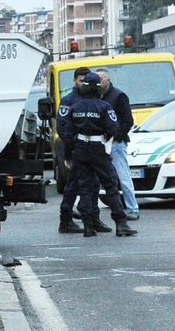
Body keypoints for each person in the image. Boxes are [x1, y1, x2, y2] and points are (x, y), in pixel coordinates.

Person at [68, 72, 136, 238]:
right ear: (98, 88)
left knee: (84, 188)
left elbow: (68, 132)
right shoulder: (104, 107)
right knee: (111, 186)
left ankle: (88, 226)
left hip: (81, 150)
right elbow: (113, 129)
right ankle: (120, 224)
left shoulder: (74, 108)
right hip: (99, 149)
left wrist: (71, 153)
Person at [96, 68, 139, 220]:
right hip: (100, 142)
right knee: (96, 177)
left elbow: (128, 120)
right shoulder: (96, 96)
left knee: (123, 176)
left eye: (101, 79)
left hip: (115, 143)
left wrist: (118, 137)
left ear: (108, 80)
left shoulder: (118, 96)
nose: (99, 83)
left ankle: (133, 208)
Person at [55, 66, 92, 234]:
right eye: (80, 80)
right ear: (74, 81)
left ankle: (92, 218)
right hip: (76, 148)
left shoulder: (92, 97)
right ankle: (66, 219)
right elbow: (62, 127)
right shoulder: (69, 100)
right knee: (73, 186)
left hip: (92, 149)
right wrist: (71, 148)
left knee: (92, 185)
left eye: (86, 80)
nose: (83, 83)